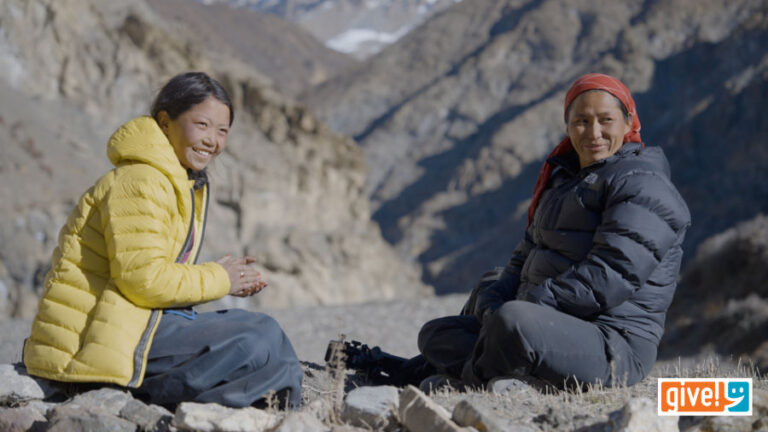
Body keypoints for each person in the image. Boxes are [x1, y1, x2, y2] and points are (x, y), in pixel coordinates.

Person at [23, 72, 303, 408]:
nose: (212, 140)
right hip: (95, 344)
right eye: (202, 125)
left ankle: (279, 413)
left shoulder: (174, 180)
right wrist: (220, 278)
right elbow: (141, 280)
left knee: (264, 330)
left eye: (222, 130)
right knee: (254, 341)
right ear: (165, 122)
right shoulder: (141, 180)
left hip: (127, 324)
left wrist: (224, 279)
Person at [409, 73, 691, 391]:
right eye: (581, 121)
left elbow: (611, 275)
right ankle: (501, 372)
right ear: (568, 127)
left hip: (613, 343)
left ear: (628, 124)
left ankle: (469, 384)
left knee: (513, 321)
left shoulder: (643, 184)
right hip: (554, 323)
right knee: (438, 332)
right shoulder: (563, 182)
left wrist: (528, 303)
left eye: (606, 120)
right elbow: (524, 255)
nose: (594, 132)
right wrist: (493, 301)